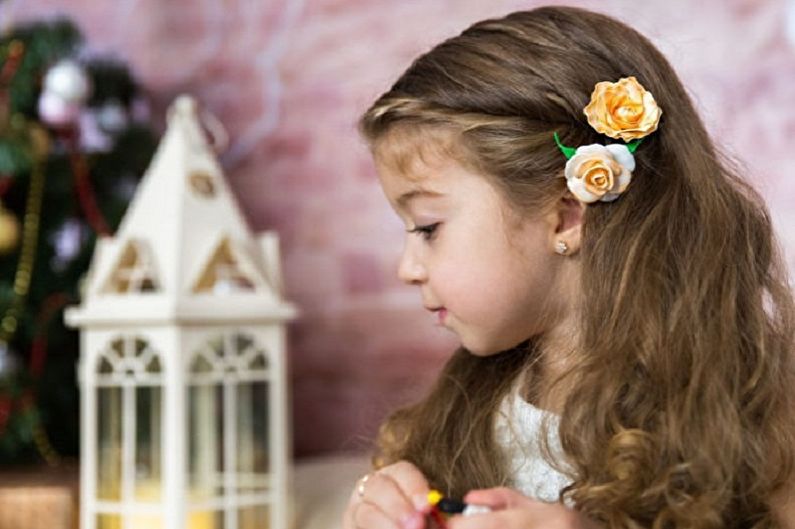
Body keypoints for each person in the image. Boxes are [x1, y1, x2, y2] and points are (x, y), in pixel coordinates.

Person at [343, 6, 795, 529]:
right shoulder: (457, 418)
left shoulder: (763, 419)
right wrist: (373, 508)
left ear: (566, 214)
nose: (407, 269)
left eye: (427, 227)